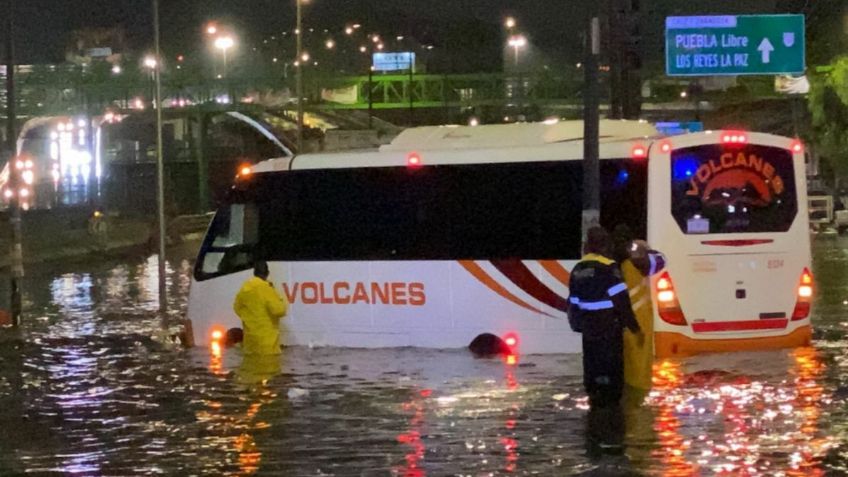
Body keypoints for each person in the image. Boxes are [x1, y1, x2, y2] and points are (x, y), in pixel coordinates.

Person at [568, 226, 641, 408]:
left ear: (587, 246)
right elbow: (622, 303)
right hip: (609, 330)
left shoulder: (577, 269)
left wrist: (579, 326)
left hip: (589, 331)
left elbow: (573, 303)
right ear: (605, 246)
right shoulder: (609, 269)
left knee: (592, 374)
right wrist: (635, 329)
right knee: (612, 378)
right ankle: (612, 421)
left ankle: (595, 413)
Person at [612, 226, 667, 400]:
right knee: (640, 365)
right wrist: (644, 248)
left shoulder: (613, 261)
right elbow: (662, 260)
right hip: (639, 320)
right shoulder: (638, 261)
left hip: (620, 320)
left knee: (625, 363)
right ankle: (639, 396)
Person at [233, 260, 288, 356]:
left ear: (254, 272)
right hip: (267, 344)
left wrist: (250, 317)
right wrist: (277, 295)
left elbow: (236, 307)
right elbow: (279, 310)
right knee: (269, 369)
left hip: (250, 343)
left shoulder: (245, 288)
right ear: (267, 273)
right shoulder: (267, 289)